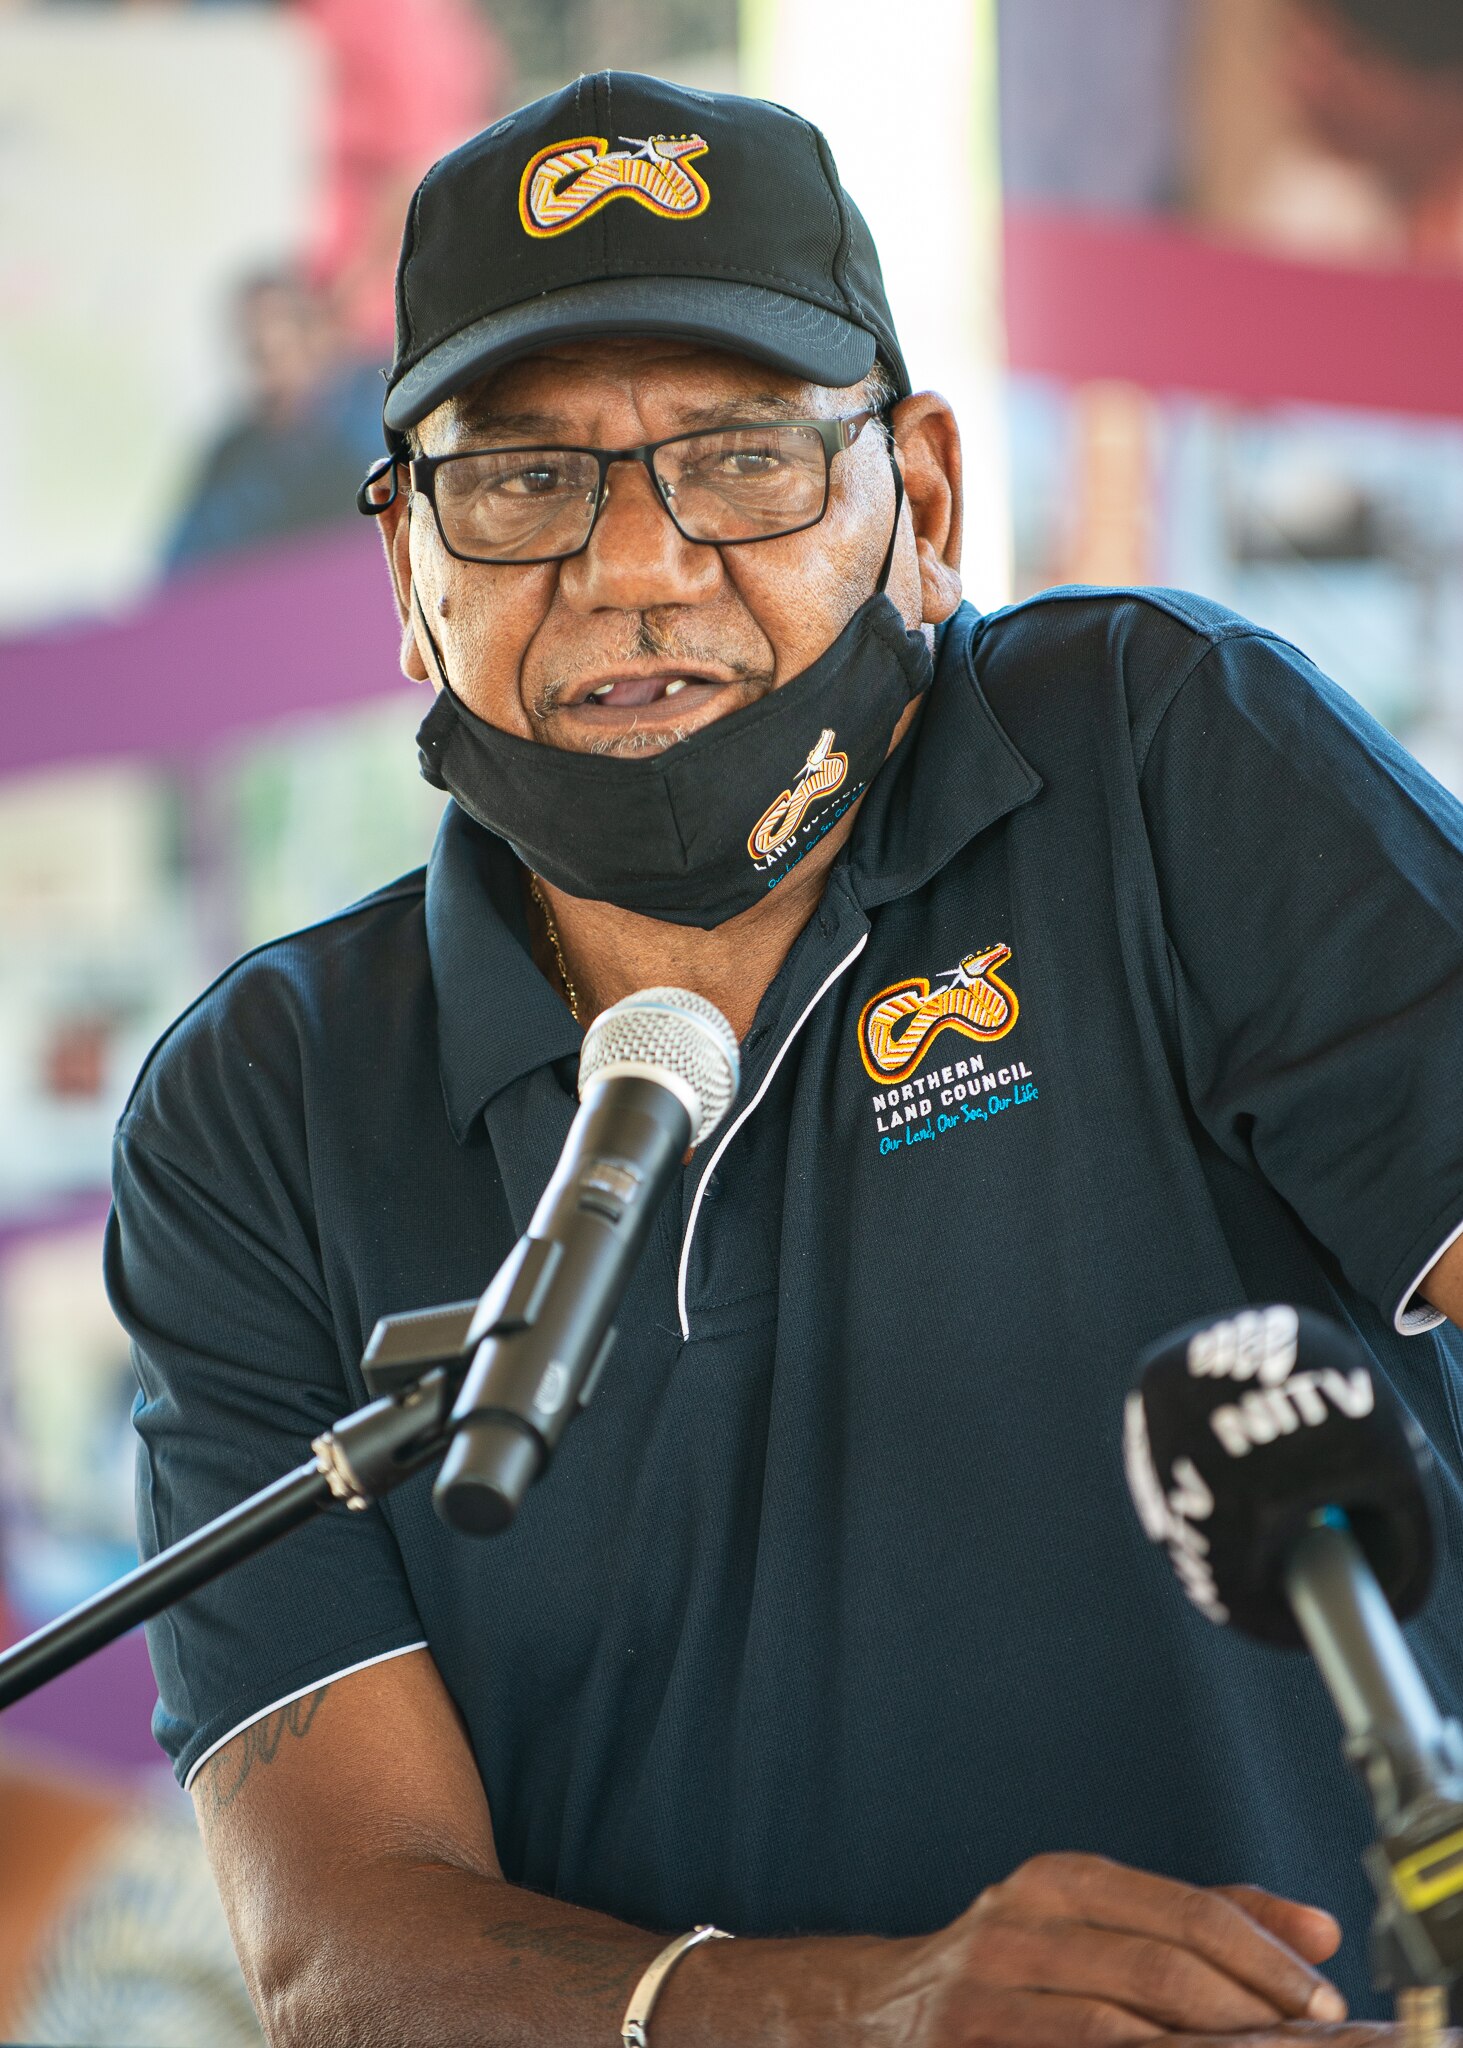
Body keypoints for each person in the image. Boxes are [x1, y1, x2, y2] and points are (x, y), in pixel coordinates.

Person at [104, 73, 1463, 2046]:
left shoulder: (1160, 758)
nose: (633, 567)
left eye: (739, 459)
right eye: (519, 482)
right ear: (406, 567)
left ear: (921, 496)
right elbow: (347, 1948)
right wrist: (875, 2010)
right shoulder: (263, 1107)